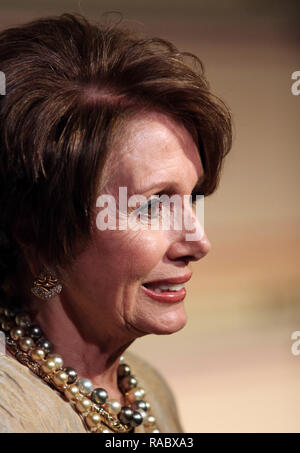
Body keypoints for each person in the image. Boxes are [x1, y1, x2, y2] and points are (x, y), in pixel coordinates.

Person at [0, 13, 232, 433]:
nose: (198, 242)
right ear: (34, 225)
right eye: (150, 206)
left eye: (192, 197)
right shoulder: (12, 413)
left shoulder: (147, 387)